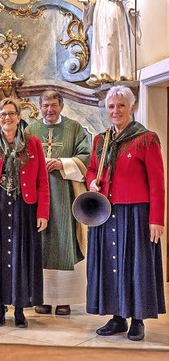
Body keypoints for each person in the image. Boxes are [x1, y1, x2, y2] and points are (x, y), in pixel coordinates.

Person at [86, 85, 165, 341]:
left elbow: (157, 183)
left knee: (135, 265)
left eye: (121, 105)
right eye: (111, 106)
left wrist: (156, 220)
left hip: (136, 214)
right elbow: (91, 169)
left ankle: (137, 319)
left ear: (131, 108)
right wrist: (91, 183)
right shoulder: (101, 140)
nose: (115, 111)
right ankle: (117, 317)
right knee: (110, 266)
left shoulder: (146, 139)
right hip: (105, 213)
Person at [0, 98, 49, 328]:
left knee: (20, 257)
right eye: (3, 114)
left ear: (18, 116)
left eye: (11, 113)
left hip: (24, 206)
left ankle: (19, 310)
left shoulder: (32, 143)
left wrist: (42, 212)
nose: (7, 118)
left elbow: (42, 180)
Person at [24, 90, 91, 316]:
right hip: (37, 197)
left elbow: (86, 157)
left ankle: (64, 300)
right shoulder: (31, 130)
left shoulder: (74, 128)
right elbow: (21, 157)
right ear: (39, 107)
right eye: (45, 105)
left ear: (61, 106)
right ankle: (40, 297)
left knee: (65, 243)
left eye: (53, 105)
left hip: (65, 195)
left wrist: (62, 163)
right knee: (40, 244)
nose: (49, 110)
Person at [81, 0, 139, 86]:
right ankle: (104, 71)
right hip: (100, 11)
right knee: (102, 43)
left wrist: (130, 8)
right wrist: (87, 3)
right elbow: (91, 4)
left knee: (110, 38)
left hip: (113, 8)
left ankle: (114, 72)